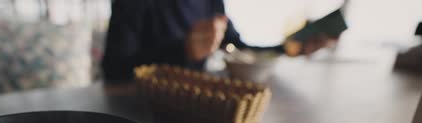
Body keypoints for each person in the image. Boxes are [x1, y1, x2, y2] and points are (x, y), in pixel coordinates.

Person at [102, 0, 335, 81]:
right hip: (145, 112)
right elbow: (114, 69)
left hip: (197, 108)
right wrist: (183, 50)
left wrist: (290, 48)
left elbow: (237, 47)